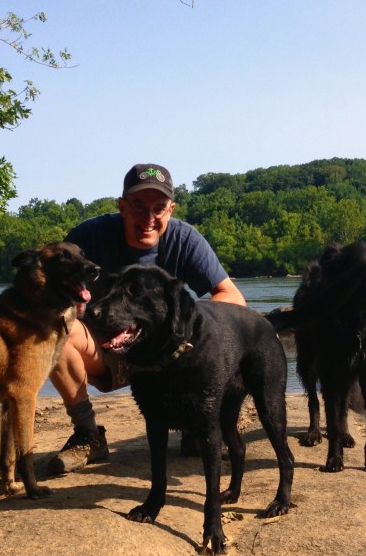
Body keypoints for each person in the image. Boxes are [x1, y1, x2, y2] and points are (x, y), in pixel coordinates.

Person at [47, 163, 246, 474]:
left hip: (168, 358)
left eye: (158, 208)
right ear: (122, 206)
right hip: (107, 349)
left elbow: (233, 299)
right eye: (138, 206)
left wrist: (183, 322)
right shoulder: (88, 238)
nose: (148, 217)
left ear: (171, 209)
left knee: (214, 336)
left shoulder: (185, 240)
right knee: (55, 329)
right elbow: (52, 295)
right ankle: (88, 434)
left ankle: (196, 420)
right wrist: (77, 307)